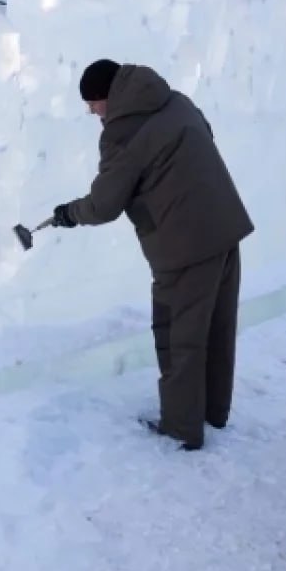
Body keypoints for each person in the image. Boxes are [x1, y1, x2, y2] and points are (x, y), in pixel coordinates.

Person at [52, 59, 254, 451]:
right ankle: (212, 411)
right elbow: (203, 136)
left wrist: (70, 213)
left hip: (184, 246)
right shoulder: (175, 102)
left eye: (93, 103)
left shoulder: (122, 134)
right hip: (225, 227)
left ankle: (181, 427)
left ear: (107, 96)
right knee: (216, 329)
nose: (91, 111)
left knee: (179, 337)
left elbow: (106, 203)